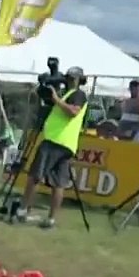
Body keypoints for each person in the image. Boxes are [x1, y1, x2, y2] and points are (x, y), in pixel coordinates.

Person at [13, 66, 90, 230]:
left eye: (72, 78)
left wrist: (56, 99)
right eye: (68, 77)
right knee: (58, 183)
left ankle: (22, 211)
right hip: (65, 144)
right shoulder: (67, 94)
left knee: (35, 176)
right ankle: (51, 220)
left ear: (79, 80)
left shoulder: (78, 94)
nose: (68, 80)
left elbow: (73, 112)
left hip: (56, 141)